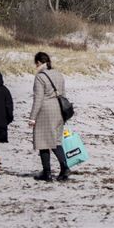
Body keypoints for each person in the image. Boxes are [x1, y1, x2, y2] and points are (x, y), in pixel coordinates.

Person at [29, 51, 69, 182]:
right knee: (56, 141)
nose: (35, 66)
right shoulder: (58, 74)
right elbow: (63, 94)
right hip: (59, 110)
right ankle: (64, 167)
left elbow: (38, 99)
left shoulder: (40, 77)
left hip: (45, 111)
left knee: (43, 142)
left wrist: (32, 117)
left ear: (39, 63)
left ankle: (47, 172)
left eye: (36, 64)